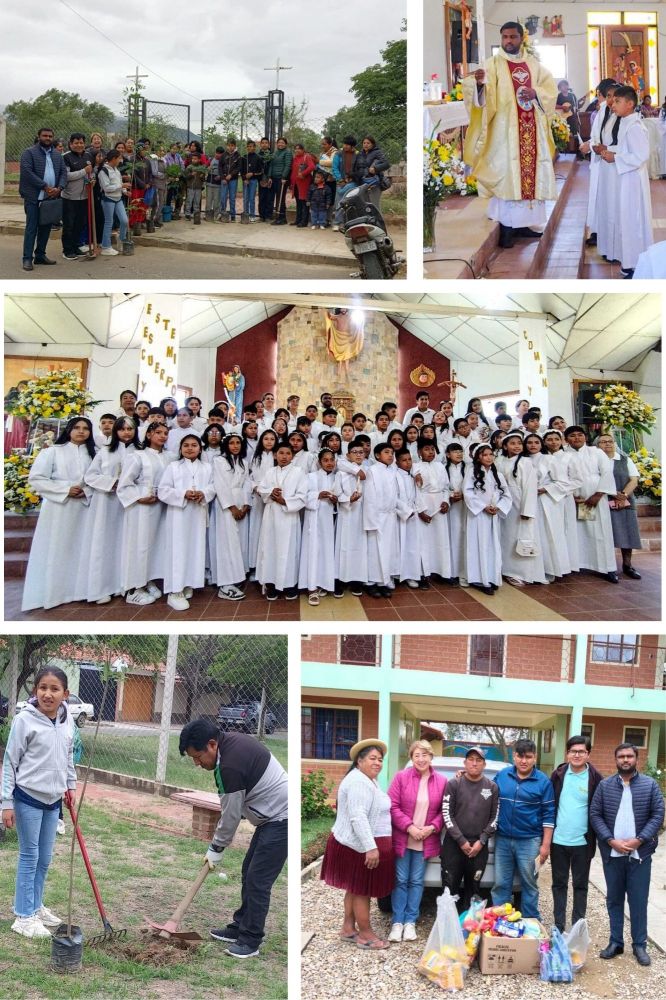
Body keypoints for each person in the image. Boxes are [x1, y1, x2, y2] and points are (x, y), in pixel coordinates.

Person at [179, 718, 288, 959]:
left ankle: (250, 939)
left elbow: (230, 815)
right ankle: (240, 926)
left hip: (282, 818)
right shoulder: (229, 745)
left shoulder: (230, 766)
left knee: (258, 880)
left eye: (198, 756)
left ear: (212, 744)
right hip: (271, 817)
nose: (197, 763)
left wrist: (216, 848)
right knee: (249, 871)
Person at [462, 21, 558, 249]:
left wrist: (536, 93)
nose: (508, 41)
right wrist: (478, 85)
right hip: (504, 135)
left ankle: (525, 225)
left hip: (531, 131)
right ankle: (506, 228)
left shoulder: (534, 66)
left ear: (521, 38)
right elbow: (480, 97)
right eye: (505, 37)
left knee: (528, 178)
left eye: (513, 37)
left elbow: (550, 91)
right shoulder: (492, 65)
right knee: (507, 177)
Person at [1, 665, 77, 937]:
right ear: (35, 691)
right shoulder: (25, 720)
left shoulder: (67, 720)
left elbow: (68, 754)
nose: (48, 694)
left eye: (54, 689)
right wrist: (6, 802)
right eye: (43, 688)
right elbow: (10, 762)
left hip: (53, 800)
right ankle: (24, 917)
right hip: (28, 797)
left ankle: (35, 905)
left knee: (44, 858)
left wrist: (70, 786)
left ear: (65, 694)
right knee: (29, 856)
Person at [590, 743, 664, 966]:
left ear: (636, 759)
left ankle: (639, 945)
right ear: (616, 760)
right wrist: (610, 840)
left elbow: (658, 814)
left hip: (640, 855)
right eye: (621, 756)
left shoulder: (650, 785)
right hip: (612, 854)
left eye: (629, 756)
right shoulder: (604, 786)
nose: (625, 760)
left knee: (638, 900)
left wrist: (639, 839)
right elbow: (595, 814)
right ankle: (616, 942)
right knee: (614, 899)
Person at [320, 739, 393, 950]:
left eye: (380, 759)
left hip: (356, 844)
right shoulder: (359, 782)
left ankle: (348, 929)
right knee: (362, 890)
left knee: (354, 888)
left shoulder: (366, 780)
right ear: (359, 761)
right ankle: (366, 935)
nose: (377, 763)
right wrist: (371, 847)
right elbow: (358, 816)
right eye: (372, 758)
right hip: (357, 846)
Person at [22, 417, 96, 611]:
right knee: (57, 547)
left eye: (86, 428)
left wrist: (86, 491)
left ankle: (79, 591)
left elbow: (96, 479)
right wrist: (65, 489)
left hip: (84, 508)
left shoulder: (93, 454)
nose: (81, 431)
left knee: (81, 548)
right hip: (58, 508)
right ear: (68, 430)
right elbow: (37, 478)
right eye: (77, 427)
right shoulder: (52, 451)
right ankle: (54, 593)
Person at [387, 740, 446, 943]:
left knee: (416, 881)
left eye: (425, 755)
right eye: (416, 755)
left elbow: (444, 811)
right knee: (400, 880)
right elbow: (392, 806)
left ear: (431, 757)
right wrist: (410, 827)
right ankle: (397, 922)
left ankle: (410, 922)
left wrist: (431, 828)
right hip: (404, 838)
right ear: (411, 758)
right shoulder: (401, 777)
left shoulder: (441, 781)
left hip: (425, 840)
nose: (421, 759)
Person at [492, 738, 555, 919]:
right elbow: (485, 791)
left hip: (530, 841)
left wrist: (545, 845)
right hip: (503, 839)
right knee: (501, 884)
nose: (524, 761)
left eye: (528, 757)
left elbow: (549, 815)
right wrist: (464, 775)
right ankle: (501, 922)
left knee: (529, 884)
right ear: (514, 756)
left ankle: (531, 922)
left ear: (535, 757)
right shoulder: (502, 776)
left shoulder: (543, 782)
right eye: (520, 756)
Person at [80, 416, 138, 604]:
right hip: (107, 502)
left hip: (130, 503)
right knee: (105, 543)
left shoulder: (140, 451)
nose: (126, 433)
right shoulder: (105, 451)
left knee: (128, 544)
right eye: (122, 429)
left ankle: (126, 585)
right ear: (115, 431)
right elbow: (90, 476)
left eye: (130, 429)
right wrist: (112, 483)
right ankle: (101, 588)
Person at [117, 420, 175, 606]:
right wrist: (139, 497)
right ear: (149, 435)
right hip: (141, 506)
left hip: (161, 505)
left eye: (165, 433)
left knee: (155, 544)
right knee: (139, 544)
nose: (162, 436)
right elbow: (124, 484)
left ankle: (147, 579)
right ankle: (133, 589)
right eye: (158, 432)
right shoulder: (137, 456)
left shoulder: (169, 457)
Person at [596, 86, 652, 278]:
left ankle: (634, 265)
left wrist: (616, 158)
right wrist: (611, 151)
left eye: (618, 101)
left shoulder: (634, 126)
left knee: (632, 221)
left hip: (633, 181)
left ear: (629, 104)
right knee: (626, 220)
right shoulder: (626, 122)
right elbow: (625, 148)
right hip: (626, 178)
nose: (613, 104)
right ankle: (629, 261)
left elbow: (641, 155)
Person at [549, 735, 603, 933]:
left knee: (580, 886)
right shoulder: (558, 775)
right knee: (559, 884)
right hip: (558, 840)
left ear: (588, 754)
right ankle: (558, 925)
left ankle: (577, 928)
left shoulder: (596, 779)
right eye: (573, 751)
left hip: (583, 842)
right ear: (567, 753)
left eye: (581, 751)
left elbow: (601, 809)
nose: (577, 755)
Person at [157, 434, 215, 611]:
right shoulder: (173, 467)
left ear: (200, 448)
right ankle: (174, 591)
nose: (190, 448)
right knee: (178, 550)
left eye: (194, 445)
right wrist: (183, 494)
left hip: (198, 512)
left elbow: (213, 486)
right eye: (186, 445)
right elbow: (163, 490)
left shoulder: (207, 467)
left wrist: (204, 493)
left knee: (195, 548)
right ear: (180, 449)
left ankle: (188, 582)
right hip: (178, 515)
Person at [441, 747, 499, 913]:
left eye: (478, 760)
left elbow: (495, 818)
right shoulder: (453, 784)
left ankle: (469, 924)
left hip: (478, 848)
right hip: (454, 846)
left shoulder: (492, 787)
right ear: (465, 763)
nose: (474, 763)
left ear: (484, 764)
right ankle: (448, 923)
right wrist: (461, 841)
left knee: (473, 890)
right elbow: (447, 814)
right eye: (471, 759)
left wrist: (482, 841)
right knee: (449, 888)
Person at [564, 426, 619, 583]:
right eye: (572, 435)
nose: (577, 438)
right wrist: (571, 497)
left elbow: (607, 472)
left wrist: (598, 495)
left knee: (599, 531)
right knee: (577, 532)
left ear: (585, 437)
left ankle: (607, 567)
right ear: (566, 439)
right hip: (574, 498)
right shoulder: (563, 455)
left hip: (595, 498)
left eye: (580, 435)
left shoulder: (596, 452)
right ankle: (578, 564)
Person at [256, 443, 308, 600]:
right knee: (270, 549)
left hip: (288, 516)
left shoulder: (299, 472)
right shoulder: (270, 472)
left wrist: (284, 501)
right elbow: (261, 489)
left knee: (289, 550)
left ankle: (289, 585)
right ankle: (271, 584)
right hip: (271, 516)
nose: (284, 456)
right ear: (275, 455)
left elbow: (303, 495)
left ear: (292, 456)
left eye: (288, 453)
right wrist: (270, 492)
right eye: (281, 453)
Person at [463, 444, 512, 595]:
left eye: (491, 454)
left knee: (493, 547)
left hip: (493, 515)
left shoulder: (498, 474)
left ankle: (492, 577)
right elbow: (468, 493)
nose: (489, 457)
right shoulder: (472, 472)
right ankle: (479, 579)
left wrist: (498, 507)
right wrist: (483, 507)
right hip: (478, 516)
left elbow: (506, 495)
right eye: (485, 455)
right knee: (479, 546)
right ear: (478, 457)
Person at [19, 126, 67, 271]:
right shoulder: (29, 153)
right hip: (34, 197)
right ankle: (27, 259)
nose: (47, 138)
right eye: (45, 136)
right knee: (31, 228)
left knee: (45, 228)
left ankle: (40, 255)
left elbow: (63, 173)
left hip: (51, 197)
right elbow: (27, 172)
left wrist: (59, 188)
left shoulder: (57, 155)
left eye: (50, 136)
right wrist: (45, 187)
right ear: (39, 136)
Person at [595, 433, 642, 578]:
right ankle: (608, 567)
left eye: (610, 441)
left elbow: (634, 480)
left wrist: (623, 495)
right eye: (603, 442)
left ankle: (627, 565)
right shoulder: (594, 460)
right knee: (605, 535)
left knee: (628, 533)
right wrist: (613, 493)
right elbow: (593, 479)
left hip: (625, 501)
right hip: (603, 500)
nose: (607, 444)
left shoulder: (625, 459)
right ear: (597, 446)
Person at [212, 434, 250, 602]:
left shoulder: (243, 462)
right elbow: (220, 484)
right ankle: (225, 584)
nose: (235, 446)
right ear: (226, 445)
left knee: (238, 542)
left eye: (238, 443)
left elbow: (247, 483)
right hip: (226, 505)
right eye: (232, 443)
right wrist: (231, 506)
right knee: (226, 542)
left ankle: (236, 576)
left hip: (241, 503)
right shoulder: (219, 461)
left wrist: (246, 504)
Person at [580, 79, 617, 248]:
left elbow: (604, 139)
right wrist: (590, 144)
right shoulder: (604, 110)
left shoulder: (606, 110)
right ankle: (598, 231)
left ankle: (601, 233)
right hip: (600, 160)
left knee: (603, 198)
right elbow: (598, 135)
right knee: (598, 198)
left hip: (606, 161)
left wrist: (589, 145)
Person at [299, 449, 338, 605]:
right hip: (314, 519)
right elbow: (303, 496)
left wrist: (335, 500)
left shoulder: (336, 477)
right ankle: (311, 588)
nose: (329, 463)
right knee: (313, 551)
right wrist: (317, 495)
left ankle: (323, 583)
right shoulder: (311, 477)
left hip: (328, 519)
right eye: (325, 460)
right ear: (319, 462)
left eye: (331, 460)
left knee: (326, 551)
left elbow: (340, 497)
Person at [364, 443, 399, 597]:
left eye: (392, 453)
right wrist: (372, 521)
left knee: (387, 551)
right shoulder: (372, 471)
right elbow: (369, 497)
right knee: (375, 550)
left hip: (390, 516)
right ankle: (371, 582)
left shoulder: (393, 470)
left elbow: (395, 495)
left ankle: (384, 581)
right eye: (386, 452)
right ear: (377, 455)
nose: (390, 455)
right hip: (377, 517)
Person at [61, 133, 94, 260]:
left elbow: (91, 173)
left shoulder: (88, 155)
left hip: (84, 196)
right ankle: (67, 250)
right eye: (76, 143)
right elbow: (66, 176)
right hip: (69, 197)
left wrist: (92, 180)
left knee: (80, 224)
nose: (79, 145)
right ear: (70, 144)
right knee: (69, 225)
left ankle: (75, 247)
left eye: (81, 143)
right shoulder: (66, 157)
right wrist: (83, 171)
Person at [98, 149, 130, 255]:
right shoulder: (103, 171)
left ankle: (121, 240)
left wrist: (125, 191)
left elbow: (119, 182)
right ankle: (106, 247)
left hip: (118, 198)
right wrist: (122, 186)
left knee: (124, 220)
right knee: (109, 222)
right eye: (119, 158)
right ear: (113, 159)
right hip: (108, 199)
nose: (120, 160)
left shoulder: (116, 170)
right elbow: (106, 188)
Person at [356, 135, 390, 210]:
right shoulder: (360, 154)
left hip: (374, 183)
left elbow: (387, 164)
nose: (366, 145)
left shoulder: (377, 152)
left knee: (375, 206)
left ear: (373, 144)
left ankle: (378, 218)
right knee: (365, 206)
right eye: (364, 143)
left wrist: (375, 168)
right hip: (363, 183)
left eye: (368, 143)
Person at [268, 137, 293, 226]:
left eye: (282, 143)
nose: (280, 144)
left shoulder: (288, 152)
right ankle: (281, 217)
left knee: (280, 198)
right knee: (277, 198)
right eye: (279, 142)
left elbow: (288, 165)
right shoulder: (275, 152)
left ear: (286, 144)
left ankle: (281, 218)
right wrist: (270, 176)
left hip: (282, 179)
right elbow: (271, 165)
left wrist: (284, 177)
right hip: (274, 178)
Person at [290, 143, 316, 228]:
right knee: (298, 202)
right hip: (296, 183)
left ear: (303, 150)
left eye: (299, 148)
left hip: (304, 183)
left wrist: (303, 174)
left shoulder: (306, 157)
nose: (297, 150)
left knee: (304, 202)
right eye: (295, 148)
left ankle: (304, 221)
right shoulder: (295, 158)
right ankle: (298, 220)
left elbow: (312, 167)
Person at [241, 140, 264, 222]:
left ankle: (252, 215)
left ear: (255, 147)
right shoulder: (244, 157)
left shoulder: (258, 158)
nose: (251, 148)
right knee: (245, 199)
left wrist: (252, 174)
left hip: (253, 181)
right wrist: (244, 179)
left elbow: (260, 171)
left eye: (252, 146)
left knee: (251, 198)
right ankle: (246, 214)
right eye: (249, 146)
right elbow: (241, 170)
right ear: (247, 147)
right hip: (245, 181)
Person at [220, 138, 241, 222]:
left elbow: (238, 167)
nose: (230, 147)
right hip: (224, 180)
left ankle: (232, 215)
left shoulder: (238, 155)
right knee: (223, 197)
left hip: (233, 180)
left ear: (235, 146)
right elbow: (220, 167)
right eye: (229, 145)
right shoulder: (223, 155)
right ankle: (223, 213)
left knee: (232, 197)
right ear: (226, 146)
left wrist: (231, 175)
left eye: (232, 145)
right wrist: (223, 178)